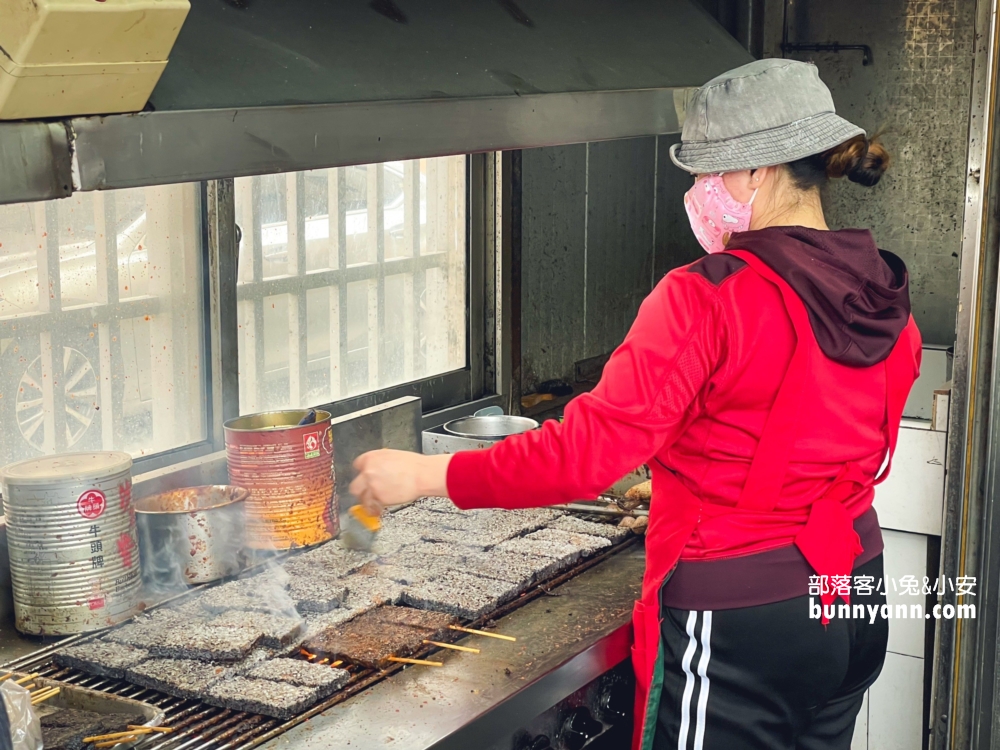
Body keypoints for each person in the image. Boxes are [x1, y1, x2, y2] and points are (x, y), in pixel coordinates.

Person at [348, 58, 921, 750]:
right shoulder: (882, 295)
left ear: (753, 172)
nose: (701, 192)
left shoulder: (707, 295)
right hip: (852, 589)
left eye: (707, 173)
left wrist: (425, 476)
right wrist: (684, 473)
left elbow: (582, 456)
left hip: (743, 617)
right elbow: (803, 427)